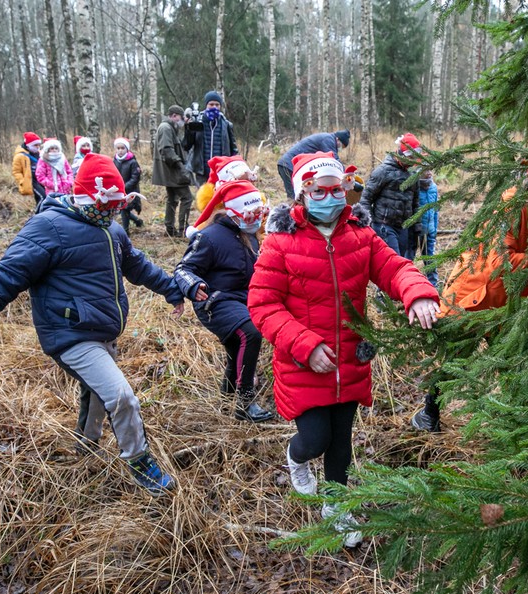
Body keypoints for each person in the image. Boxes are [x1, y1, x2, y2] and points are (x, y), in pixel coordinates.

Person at [0, 153, 185, 496]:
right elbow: (5, 278)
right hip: (70, 333)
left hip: (101, 329)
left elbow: (138, 266)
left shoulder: (112, 230)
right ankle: (140, 462)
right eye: (108, 205)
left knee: (98, 393)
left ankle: (85, 447)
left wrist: (172, 290)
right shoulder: (49, 228)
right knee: (121, 397)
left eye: (118, 206)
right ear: (85, 197)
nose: (113, 213)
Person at [248, 152, 440, 547]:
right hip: (304, 363)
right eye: (321, 191)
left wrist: (417, 293)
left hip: (350, 360)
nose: (331, 197)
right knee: (316, 438)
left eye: (338, 190)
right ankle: (296, 458)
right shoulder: (281, 242)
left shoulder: (360, 234)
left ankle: (337, 508)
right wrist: (305, 345)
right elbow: (263, 304)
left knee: (341, 442)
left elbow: (394, 267)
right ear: (303, 192)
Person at [411, 147, 528, 433]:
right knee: (457, 360)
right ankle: (428, 414)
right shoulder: (512, 206)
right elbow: (502, 260)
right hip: (473, 296)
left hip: (505, 302)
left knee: (512, 361)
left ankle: (517, 422)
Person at [174, 171, 274, 423]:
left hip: (242, 299)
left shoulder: (249, 234)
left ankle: (228, 395)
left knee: (235, 348)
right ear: (234, 212)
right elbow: (183, 268)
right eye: (252, 215)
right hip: (214, 300)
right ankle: (245, 401)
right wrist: (193, 285)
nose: (257, 221)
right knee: (249, 333)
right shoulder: (209, 237)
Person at [358, 133, 423, 258]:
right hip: (384, 225)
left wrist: (417, 225)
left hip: (403, 227)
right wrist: (368, 222)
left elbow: (415, 203)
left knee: (402, 260)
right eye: (409, 157)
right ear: (400, 153)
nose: (411, 161)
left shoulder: (413, 176)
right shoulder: (383, 171)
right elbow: (366, 198)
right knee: (394, 260)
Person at [152, 105, 194, 237]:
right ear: (175, 116)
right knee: (187, 198)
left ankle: (170, 229)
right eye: (181, 118)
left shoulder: (169, 127)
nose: (182, 122)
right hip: (172, 170)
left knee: (172, 199)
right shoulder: (166, 128)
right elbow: (166, 150)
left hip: (170, 170)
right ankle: (182, 230)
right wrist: (180, 165)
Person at [183, 91, 239, 187]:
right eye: (211, 104)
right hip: (202, 171)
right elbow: (186, 146)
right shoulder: (198, 122)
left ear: (220, 106)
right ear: (206, 105)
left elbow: (233, 150)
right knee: (204, 200)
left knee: (220, 200)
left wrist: (238, 167)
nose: (214, 107)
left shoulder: (226, 124)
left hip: (221, 172)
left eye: (217, 104)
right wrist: (188, 128)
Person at [277, 130, 350, 200]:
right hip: (288, 165)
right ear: (337, 139)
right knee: (294, 195)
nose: (340, 148)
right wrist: (347, 176)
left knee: (301, 194)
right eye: (341, 146)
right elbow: (333, 161)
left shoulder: (327, 138)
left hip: (291, 166)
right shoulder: (328, 139)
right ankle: (290, 211)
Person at [408, 169, 440, 288]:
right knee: (408, 258)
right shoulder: (414, 188)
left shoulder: (433, 187)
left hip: (429, 230)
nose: (429, 172)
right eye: (426, 170)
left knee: (429, 258)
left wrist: (434, 228)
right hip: (415, 231)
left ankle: (433, 285)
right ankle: (407, 284)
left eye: (431, 169)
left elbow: (436, 210)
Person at [113, 137, 143, 232]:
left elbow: (135, 177)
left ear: (127, 149)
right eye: (118, 148)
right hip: (118, 191)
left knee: (125, 208)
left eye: (123, 148)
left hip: (130, 191)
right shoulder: (114, 161)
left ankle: (125, 231)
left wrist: (124, 187)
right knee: (122, 209)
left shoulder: (132, 162)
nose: (120, 150)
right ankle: (137, 221)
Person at [11, 131, 46, 204]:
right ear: (28, 145)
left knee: (45, 197)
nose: (37, 147)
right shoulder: (20, 156)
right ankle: (40, 213)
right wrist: (22, 181)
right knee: (43, 197)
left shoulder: (39, 153)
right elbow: (16, 171)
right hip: (31, 181)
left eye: (38, 145)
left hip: (41, 179)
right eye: (35, 145)